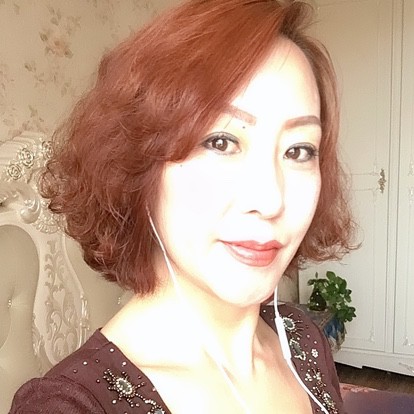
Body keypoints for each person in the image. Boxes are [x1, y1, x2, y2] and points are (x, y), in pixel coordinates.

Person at [9, 0, 354, 413]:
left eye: (298, 150)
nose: (271, 200)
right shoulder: (71, 406)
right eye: (221, 142)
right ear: (140, 165)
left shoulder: (303, 341)